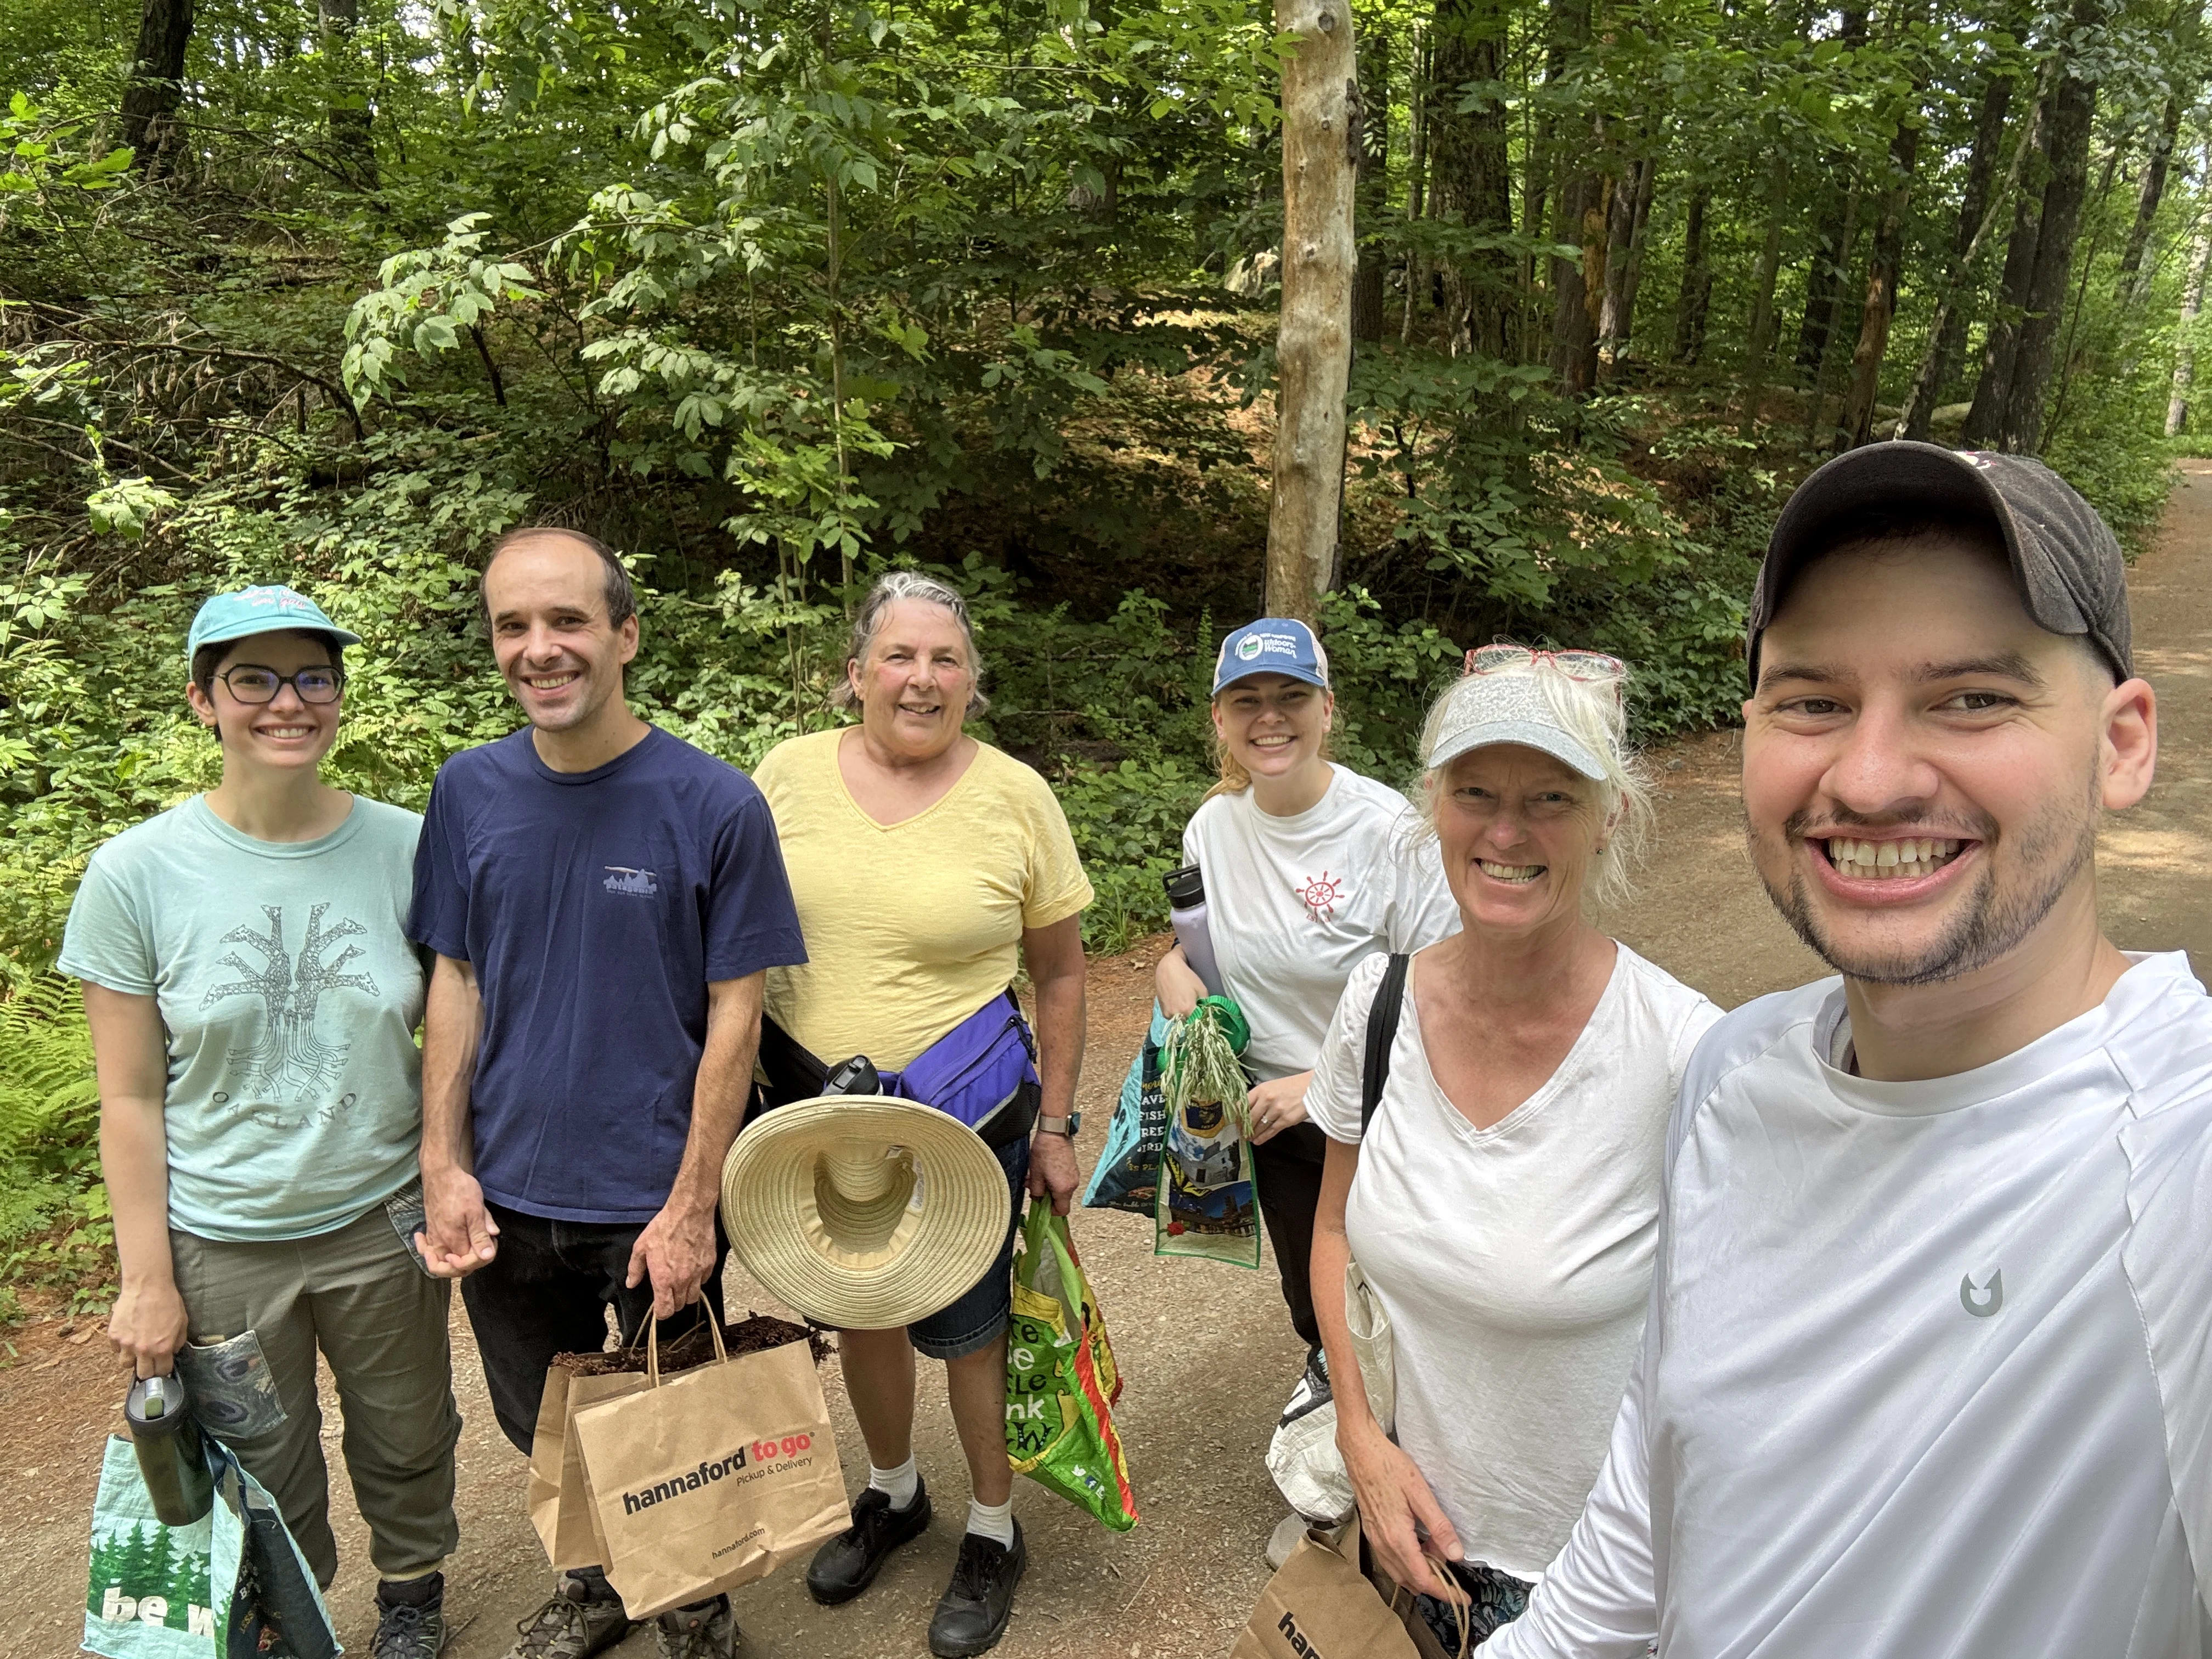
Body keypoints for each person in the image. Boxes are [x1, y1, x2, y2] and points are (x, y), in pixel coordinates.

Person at [1486, 442, 2212, 1658]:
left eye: (1972, 698)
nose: (1869, 781)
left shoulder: (2180, 1156)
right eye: (1814, 701)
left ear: (2121, 743)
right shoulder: (1735, 1075)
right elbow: (1650, 1526)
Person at [406, 528, 805, 1659]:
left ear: (625, 635)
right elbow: (456, 978)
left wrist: (693, 1206)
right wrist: (444, 1166)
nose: (540, 648)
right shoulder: (469, 791)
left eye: (568, 620)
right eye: (514, 626)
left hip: (650, 1194)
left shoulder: (715, 804)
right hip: (506, 1192)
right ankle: (594, 1587)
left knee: (678, 1420)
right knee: (543, 1423)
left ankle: (694, 1604)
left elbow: (736, 1015)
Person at [63, 585, 461, 1659]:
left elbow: (458, 1028)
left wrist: (451, 1171)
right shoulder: (135, 875)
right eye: (254, 679)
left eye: (313, 677)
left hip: (381, 1219)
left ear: (338, 695)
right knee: (262, 1460)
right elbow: (129, 1098)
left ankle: (412, 1595)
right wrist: (146, 1278)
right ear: (204, 700)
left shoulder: (409, 848)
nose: (289, 702)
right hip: (223, 1240)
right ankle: (295, 1615)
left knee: (408, 1431)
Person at [1305, 646, 1721, 1648]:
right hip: (1409, 1542)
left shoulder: (1682, 1052)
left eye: (1551, 799)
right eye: (1476, 793)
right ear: (1433, 805)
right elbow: (1333, 1231)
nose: (1505, 832)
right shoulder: (1378, 1005)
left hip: (1596, 1579)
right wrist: (1359, 1437)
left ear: (1610, 815)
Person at [750, 571, 1091, 1659]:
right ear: (855, 673)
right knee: (863, 1311)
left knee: (969, 1331)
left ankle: (993, 1526)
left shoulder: (1015, 795)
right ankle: (894, 1492)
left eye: (947, 659)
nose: (922, 678)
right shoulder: (785, 776)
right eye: (899, 655)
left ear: (972, 683)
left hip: (966, 1116)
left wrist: (1057, 1127)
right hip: (820, 1114)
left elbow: (1062, 975)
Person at [1152, 620, 1459, 1433]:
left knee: (1405, 1291)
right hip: (1272, 1117)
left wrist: (1321, 1083)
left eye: (1291, 696)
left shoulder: (1389, 831)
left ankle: (1431, 1444)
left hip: (1387, 1111)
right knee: (1313, 1292)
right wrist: (1169, 968)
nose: (1270, 717)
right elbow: (1203, 947)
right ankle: (1338, 1419)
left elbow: (1445, 991)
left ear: (1327, 709)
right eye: (1246, 700)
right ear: (1220, 719)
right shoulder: (1212, 829)